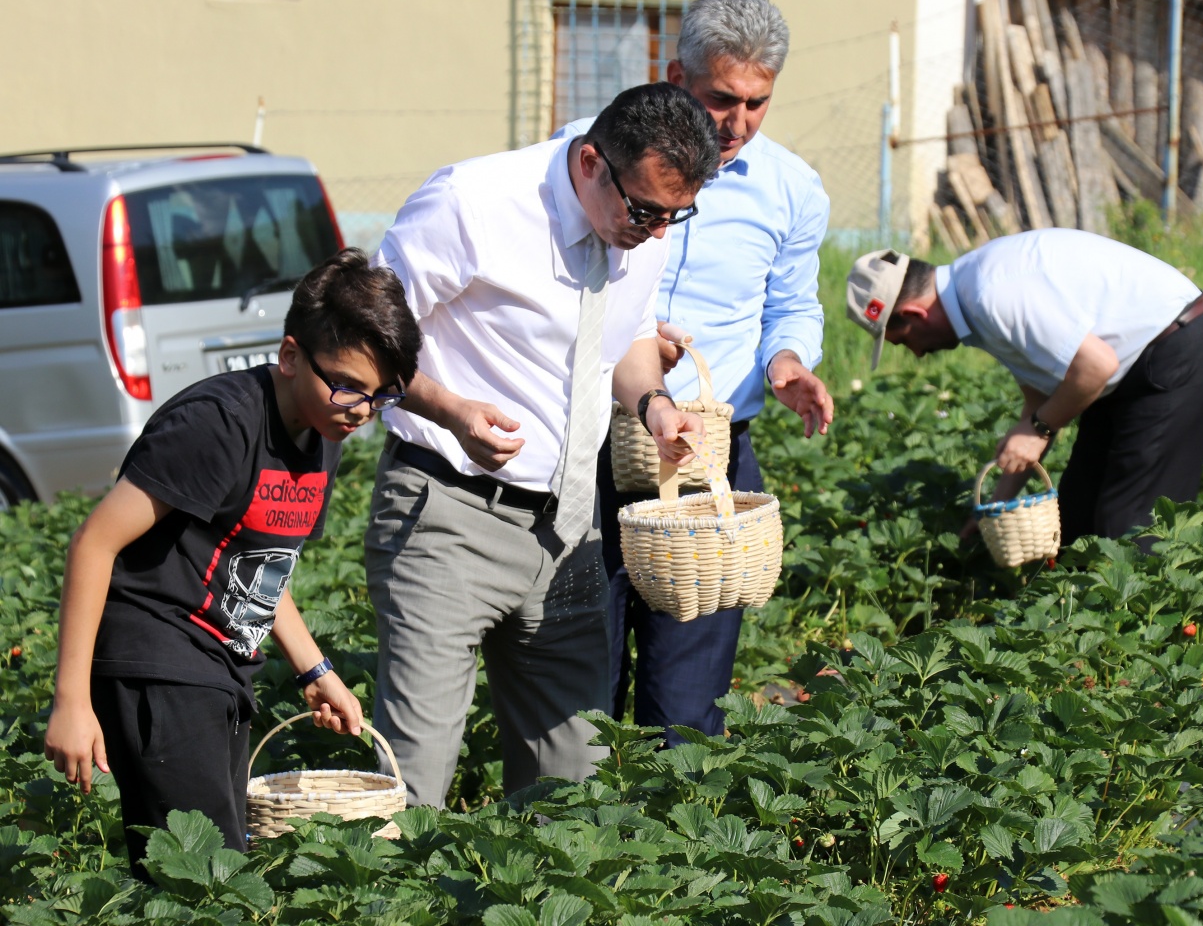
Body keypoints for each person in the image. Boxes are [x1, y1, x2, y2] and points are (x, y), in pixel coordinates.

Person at [366, 82, 721, 806]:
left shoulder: (641, 236)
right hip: (447, 512)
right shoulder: (473, 203)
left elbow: (621, 340)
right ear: (591, 161)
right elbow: (360, 337)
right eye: (646, 210)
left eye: (675, 216)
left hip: (568, 527)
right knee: (413, 780)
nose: (657, 233)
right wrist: (452, 409)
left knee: (575, 784)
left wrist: (653, 405)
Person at [43, 247, 421, 877]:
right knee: (203, 876)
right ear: (291, 355)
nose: (360, 408)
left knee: (213, 865)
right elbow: (94, 542)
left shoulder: (322, 430)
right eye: (348, 385)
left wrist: (315, 669)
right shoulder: (218, 425)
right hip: (160, 661)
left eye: (380, 395)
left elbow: (264, 564)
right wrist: (70, 701)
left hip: (224, 667)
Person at [553, 0, 834, 747]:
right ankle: (576, 837)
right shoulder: (593, 155)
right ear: (676, 73)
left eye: (757, 103)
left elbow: (793, 305)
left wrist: (786, 363)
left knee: (688, 692)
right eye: (719, 98)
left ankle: (669, 845)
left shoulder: (791, 189)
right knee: (581, 675)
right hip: (592, 449)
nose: (736, 123)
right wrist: (628, 343)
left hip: (709, 454)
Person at [846, 228, 1203, 545]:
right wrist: (995, 508)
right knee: (1078, 515)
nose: (916, 353)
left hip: (1175, 354)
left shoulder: (990, 294)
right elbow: (1040, 404)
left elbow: (1095, 367)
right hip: (1135, 367)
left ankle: (1156, 636)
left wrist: (1040, 429)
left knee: (1131, 525)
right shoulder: (973, 297)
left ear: (914, 314)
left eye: (903, 342)